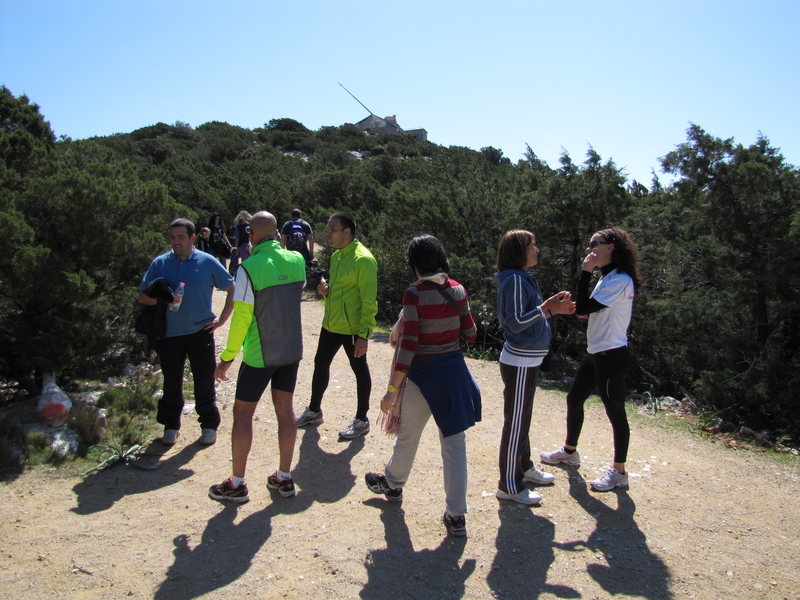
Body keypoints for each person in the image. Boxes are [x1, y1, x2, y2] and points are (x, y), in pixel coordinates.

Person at [364, 235, 481, 537]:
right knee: (454, 447)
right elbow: (470, 334)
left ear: (416, 265)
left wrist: (391, 391)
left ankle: (392, 485)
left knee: (407, 438)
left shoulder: (413, 294)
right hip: (453, 377)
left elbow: (409, 345)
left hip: (421, 378)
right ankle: (456, 516)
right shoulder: (458, 289)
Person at [208, 211, 306, 503]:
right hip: (291, 351)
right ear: (277, 234)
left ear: (250, 236)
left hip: (260, 355)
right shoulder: (297, 261)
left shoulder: (247, 268)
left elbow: (241, 319)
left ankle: (237, 483)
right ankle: (284, 478)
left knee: (243, 414)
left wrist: (227, 357)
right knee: (286, 411)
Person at [541, 227, 642, 492]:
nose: (590, 249)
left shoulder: (619, 278)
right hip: (597, 351)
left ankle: (619, 472)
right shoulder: (607, 277)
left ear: (611, 247)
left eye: (595, 244)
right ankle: (569, 452)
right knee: (574, 399)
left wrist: (585, 274)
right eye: (588, 244)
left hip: (612, 354)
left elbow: (585, 307)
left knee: (615, 412)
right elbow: (587, 309)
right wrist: (588, 309)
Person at [494, 230, 575, 505]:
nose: (537, 250)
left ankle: (524, 468)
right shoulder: (515, 280)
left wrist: (554, 310)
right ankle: (508, 484)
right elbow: (514, 322)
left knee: (522, 419)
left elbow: (530, 317)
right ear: (519, 251)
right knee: (515, 424)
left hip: (528, 360)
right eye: (532, 245)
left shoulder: (522, 278)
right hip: (519, 361)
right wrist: (545, 308)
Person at [138, 218, 235, 446]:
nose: (176, 242)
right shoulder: (160, 263)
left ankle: (209, 425)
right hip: (169, 333)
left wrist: (221, 320)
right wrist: (161, 297)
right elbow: (142, 296)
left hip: (200, 331)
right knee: (171, 381)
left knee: (204, 381)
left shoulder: (207, 261)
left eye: (180, 237)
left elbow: (232, 288)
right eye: (172, 237)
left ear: (193, 238)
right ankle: (170, 426)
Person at [295, 213, 377, 439]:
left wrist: (364, 335)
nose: (327, 233)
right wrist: (326, 291)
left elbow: (369, 301)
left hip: (352, 329)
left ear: (347, 232)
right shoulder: (338, 255)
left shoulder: (364, 260)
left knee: (360, 370)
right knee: (320, 364)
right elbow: (341, 290)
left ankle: (362, 420)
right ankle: (314, 411)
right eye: (328, 228)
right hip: (331, 324)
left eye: (333, 229)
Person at [228, 210, 252, 277]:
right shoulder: (250, 225)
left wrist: (237, 245)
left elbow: (237, 236)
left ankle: (246, 275)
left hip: (243, 245)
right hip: (251, 244)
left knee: (244, 261)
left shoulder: (238, 226)